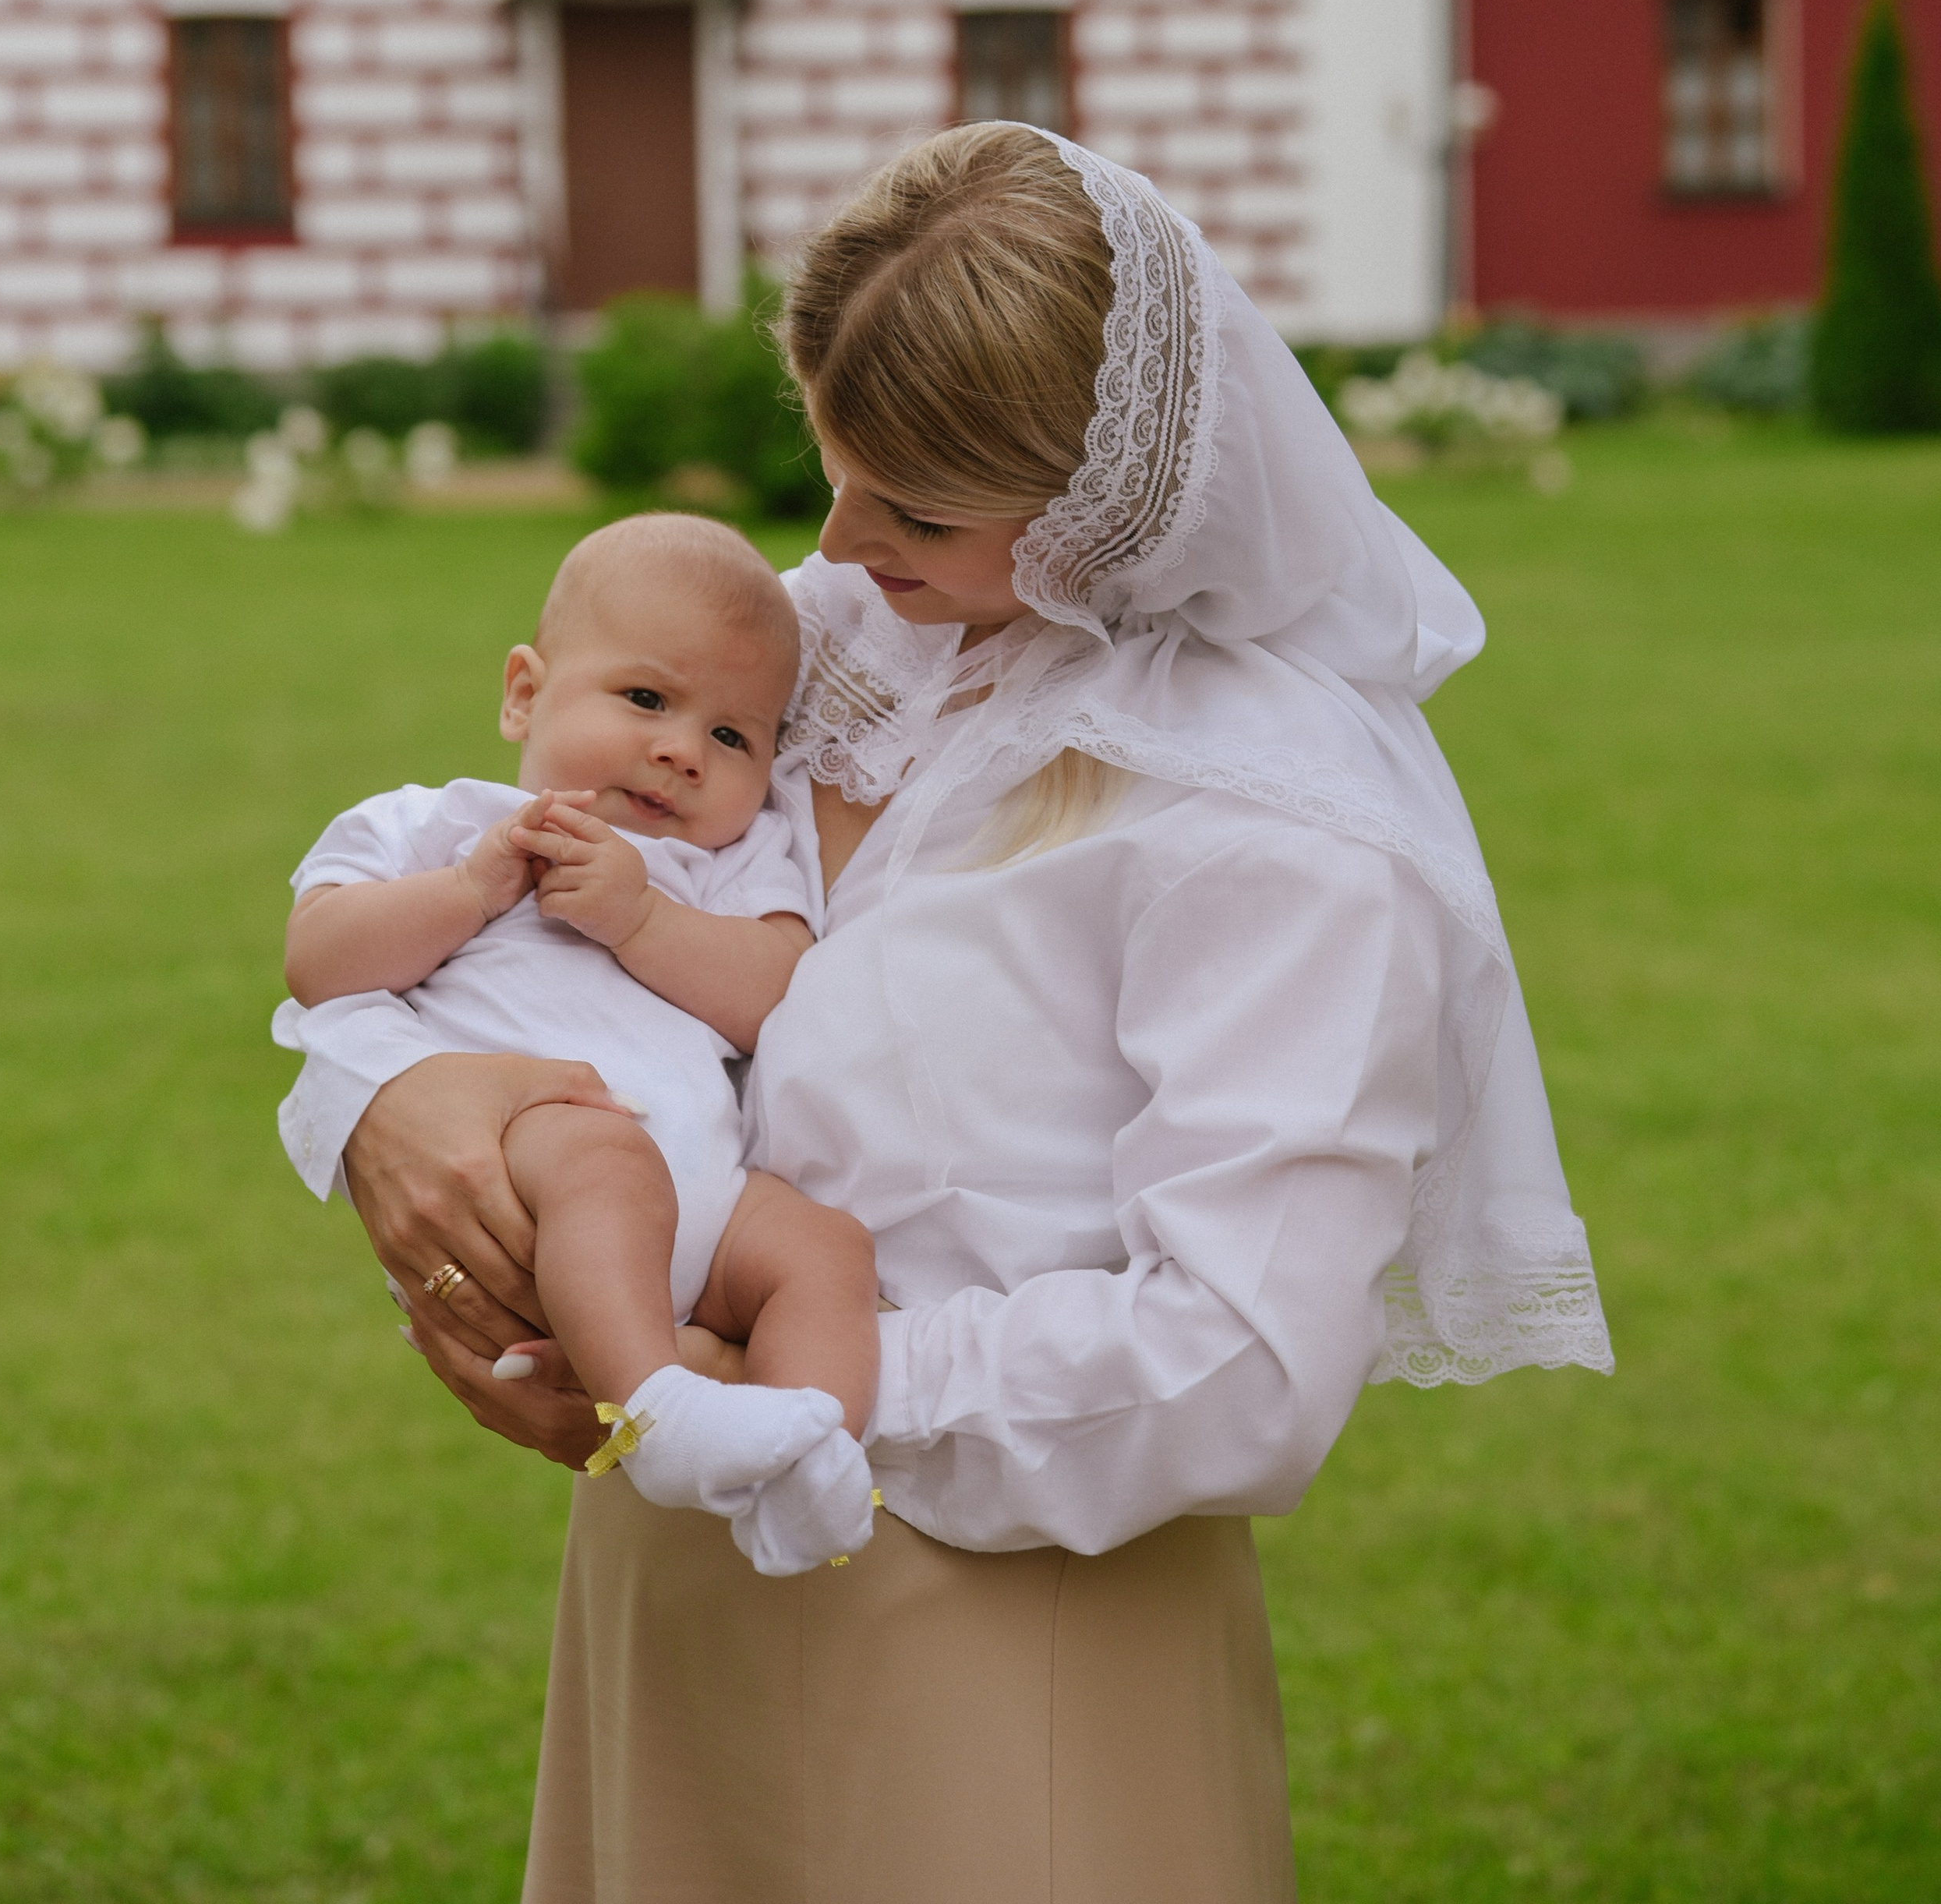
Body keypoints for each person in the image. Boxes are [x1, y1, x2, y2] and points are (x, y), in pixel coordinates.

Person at [288, 124, 1612, 1904]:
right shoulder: (838, 644)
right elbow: (512, 890)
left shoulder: (1274, 825)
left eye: (911, 506)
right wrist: (399, 1120)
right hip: (672, 1564)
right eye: (832, 470)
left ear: (1103, 506)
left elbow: (1238, 1367)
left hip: (994, 1629)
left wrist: (773, 1387)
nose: (834, 542)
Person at [273, 511, 881, 1576]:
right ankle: (660, 1407)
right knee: (604, 1156)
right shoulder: (435, 825)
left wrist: (643, 919)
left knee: (825, 1250)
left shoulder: (736, 861)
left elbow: (778, 994)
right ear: (524, 692)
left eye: (734, 736)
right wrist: (473, 887)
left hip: (712, 1198)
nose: (681, 751)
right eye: (646, 699)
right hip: (542, 1167)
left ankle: (810, 1451)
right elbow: (319, 963)